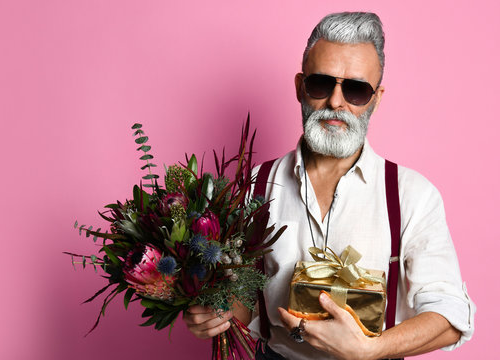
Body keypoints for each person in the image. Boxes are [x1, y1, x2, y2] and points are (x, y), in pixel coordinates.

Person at [183, 12, 475, 360]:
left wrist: (372, 349)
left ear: (376, 99)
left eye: (356, 89)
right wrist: (213, 315)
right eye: (321, 83)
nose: (336, 102)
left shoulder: (412, 195)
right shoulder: (255, 186)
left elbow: (451, 314)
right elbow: (243, 303)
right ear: (299, 87)